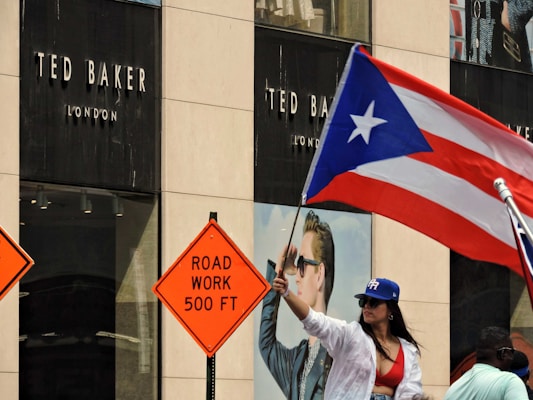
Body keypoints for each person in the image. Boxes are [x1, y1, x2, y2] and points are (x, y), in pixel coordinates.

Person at [271, 271, 423, 399]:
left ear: (390, 310)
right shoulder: (351, 335)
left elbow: (412, 393)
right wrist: (286, 293)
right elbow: (315, 321)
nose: (367, 307)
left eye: (374, 302)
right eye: (364, 301)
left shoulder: (408, 351)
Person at [259, 210, 335, 399]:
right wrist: (278, 273)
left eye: (302, 263)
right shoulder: (297, 360)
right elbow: (266, 345)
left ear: (320, 274)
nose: (297, 277)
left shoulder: (338, 351)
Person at [443, 326, 528, 399]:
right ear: (503, 353)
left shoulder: (454, 389)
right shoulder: (509, 382)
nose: (512, 357)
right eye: (511, 352)